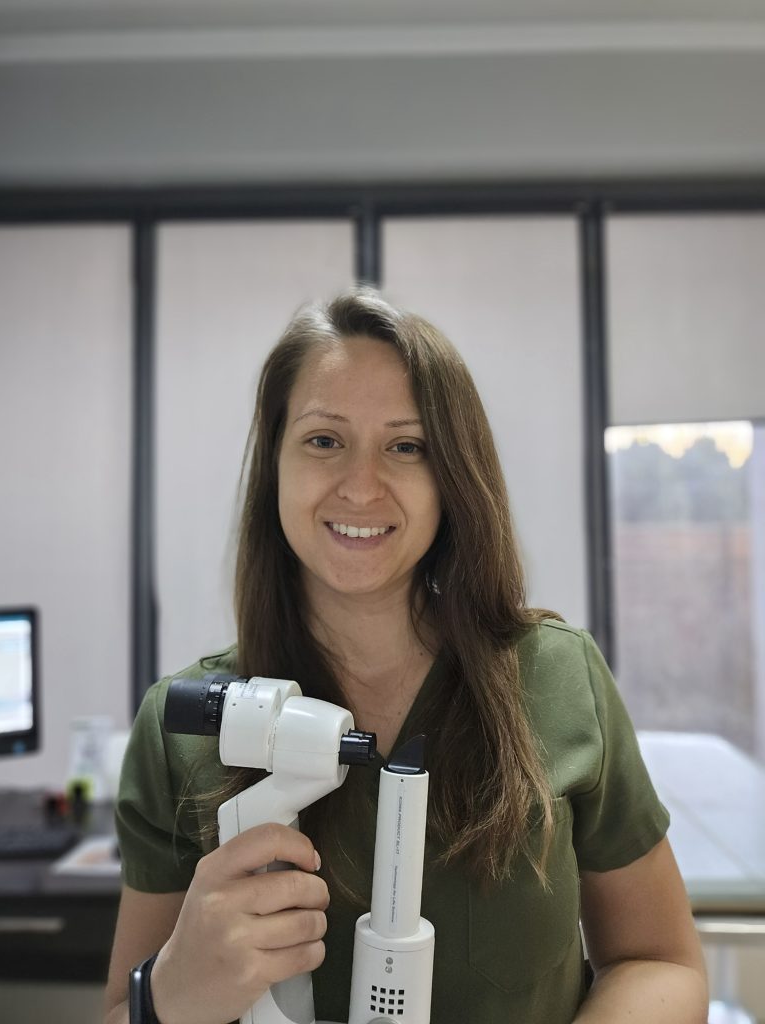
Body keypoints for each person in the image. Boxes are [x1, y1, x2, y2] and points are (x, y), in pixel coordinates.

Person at [104, 288, 708, 1024]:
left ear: (452, 477)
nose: (361, 487)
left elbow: (660, 961)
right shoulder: (182, 730)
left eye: (406, 446)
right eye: (324, 440)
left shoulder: (558, 678)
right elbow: (121, 1011)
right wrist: (171, 992)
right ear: (275, 465)